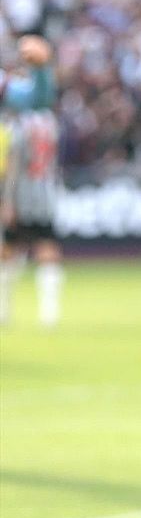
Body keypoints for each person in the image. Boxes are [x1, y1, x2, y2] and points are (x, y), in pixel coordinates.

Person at [0, 35, 63, 327]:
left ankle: (5, 310)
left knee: (8, 248)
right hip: (42, 189)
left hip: (21, 188)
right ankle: (48, 313)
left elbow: (34, 97)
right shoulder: (47, 121)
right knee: (44, 246)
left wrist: (41, 67)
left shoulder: (20, 122)